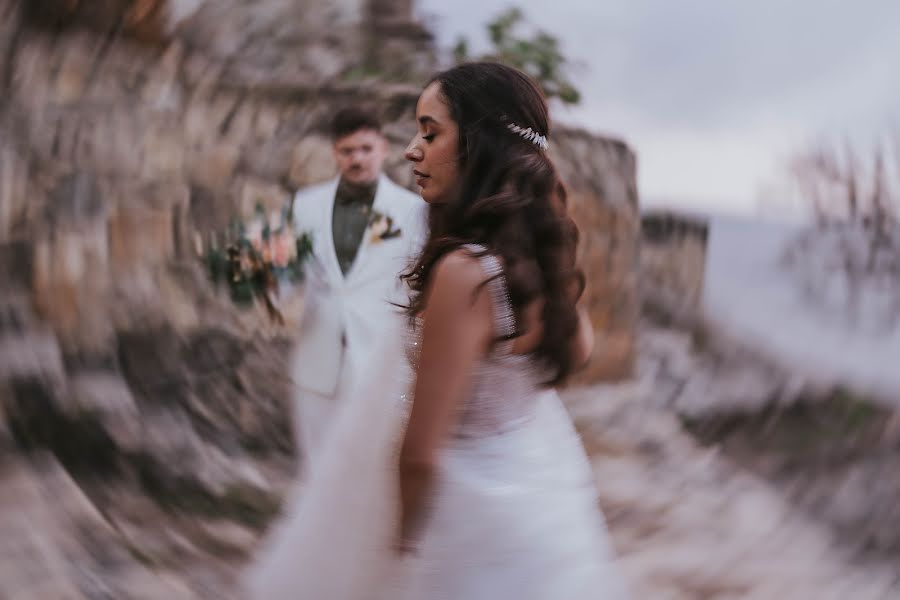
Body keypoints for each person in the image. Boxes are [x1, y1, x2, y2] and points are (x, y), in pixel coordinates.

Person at [245, 63, 626, 600]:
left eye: (430, 132)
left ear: (478, 143)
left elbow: (420, 453)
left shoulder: (464, 273)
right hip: (543, 498)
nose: (411, 150)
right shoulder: (539, 260)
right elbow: (577, 351)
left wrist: (399, 552)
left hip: (466, 516)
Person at [288, 106, 425, 465]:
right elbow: (293, 277)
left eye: (366, 149)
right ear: (335, 152)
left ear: (382, 148)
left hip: (380, 356)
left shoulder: (412, 210)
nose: (357, 159)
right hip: (317, 356)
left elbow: (417, 287)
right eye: (348, 151)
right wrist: (262, 278)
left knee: (373, 464)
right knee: (316, 465)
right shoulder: (305, 205)